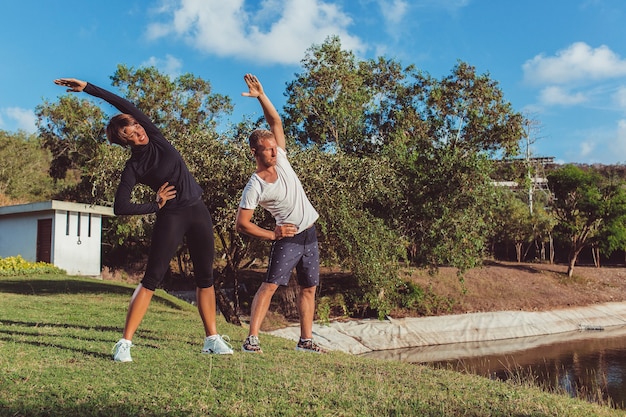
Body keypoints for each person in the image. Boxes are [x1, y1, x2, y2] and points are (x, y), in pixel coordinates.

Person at [53, 78, 233, 361]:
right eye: (131, 134)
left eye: (136, 126)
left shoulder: (155, 134)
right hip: (171, 216)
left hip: (198, 211)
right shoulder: (134, 166)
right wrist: (155, 204)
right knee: (151, 279)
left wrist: (87, 87)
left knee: (205, 277)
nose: (138, 132)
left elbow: (123, 104)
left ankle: (211, 338)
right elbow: (120, 207)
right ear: (125, 142)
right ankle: (124, 343)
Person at [236, 74, 325, 354]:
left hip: (309, 233)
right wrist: (272, 234)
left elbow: (276, 122)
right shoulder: (255, 185)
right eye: (268, 150)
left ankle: (305, 341)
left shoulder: (282, 157)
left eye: (275, 148)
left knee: (309, 288)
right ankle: (252, 339)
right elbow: (242, 224)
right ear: (255, 152)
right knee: (270, 285)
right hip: (287, 238)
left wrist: (261, 96)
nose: (274, 153)